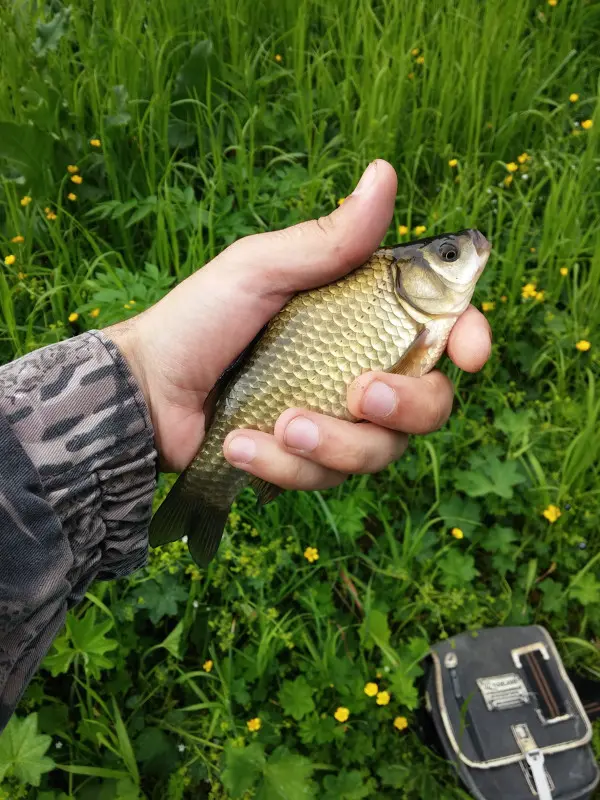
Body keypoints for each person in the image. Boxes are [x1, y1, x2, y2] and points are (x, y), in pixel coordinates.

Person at [0, 160, 491, 731]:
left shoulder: (398, 295)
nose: (465, 255)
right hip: (247, 397)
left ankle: (203, 497)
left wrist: (145, 380)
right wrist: (151, 380)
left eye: (449, 255)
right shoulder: (390, 290)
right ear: (416, 274)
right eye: (449, 256)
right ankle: (204, 498)